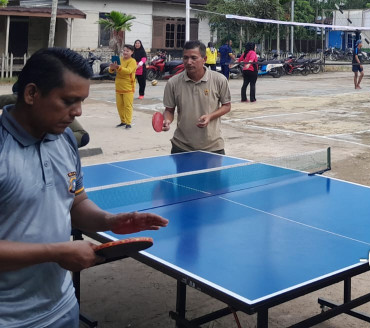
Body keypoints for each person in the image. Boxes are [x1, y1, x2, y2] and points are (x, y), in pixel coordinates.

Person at [0, 47, 168, 328]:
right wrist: (57, 252)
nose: (77, 111)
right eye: (68, 101)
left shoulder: (65, 138)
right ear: (31, 94)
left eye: (81, 101)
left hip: (63, 307)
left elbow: (75, 202)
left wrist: (109, 220)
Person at [163, 41, 232, 154]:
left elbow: (227, 106)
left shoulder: (219, 80)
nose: (189, 62)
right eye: (185, 58)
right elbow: (169, 110)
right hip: (181, 146)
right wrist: (167, 120)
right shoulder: (173, 82)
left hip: (213, 146)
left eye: (194, 58)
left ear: (204, 59)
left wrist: (210, 116)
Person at [109, 44, 137, 130]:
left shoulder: (132, 61)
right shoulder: (120, 59)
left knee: (127, 106)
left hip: (128, 86)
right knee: (119, 106)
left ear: (132, 52)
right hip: (119, 86)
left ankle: (128, 123)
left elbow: (128, 71)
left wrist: (118, 67)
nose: (125, 52)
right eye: (124, 50)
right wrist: (112, 67)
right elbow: (111, 71)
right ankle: (123, 121)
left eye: (127, 51)